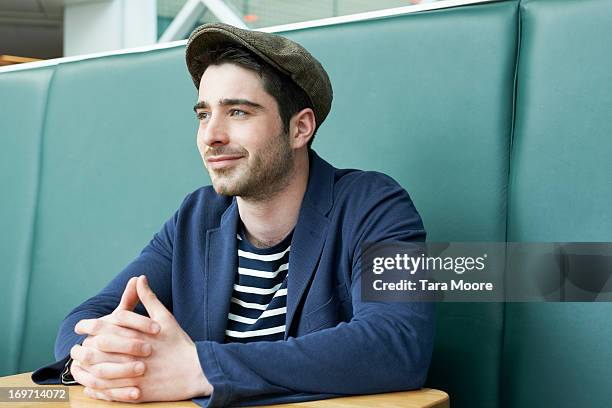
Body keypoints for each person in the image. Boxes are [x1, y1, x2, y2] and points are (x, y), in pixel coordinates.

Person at [33, 23, 435, 407]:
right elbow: (89, 317)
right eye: (203, 114)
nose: (211, 135)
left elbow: (397, 342)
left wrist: (200, 369)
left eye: (238, 112)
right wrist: (97, 355)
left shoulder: (374, 204)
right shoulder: (197, 215)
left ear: (300, 128)